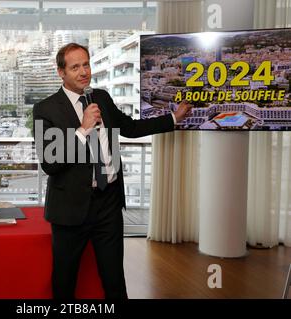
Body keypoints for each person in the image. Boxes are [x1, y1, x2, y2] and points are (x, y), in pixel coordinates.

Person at [33, 43, 191, 299]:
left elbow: (128, 127)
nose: (84, 71)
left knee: (114, 278)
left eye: (86, 64)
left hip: (108, 201)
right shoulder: (45, 109)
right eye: (75, 67)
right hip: (70, 208)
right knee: (65, 280)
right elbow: (50, 163)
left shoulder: (101, 97)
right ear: (60, 72)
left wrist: (173, 119)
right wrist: (83, 129)